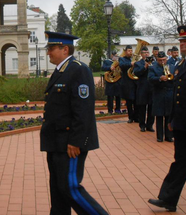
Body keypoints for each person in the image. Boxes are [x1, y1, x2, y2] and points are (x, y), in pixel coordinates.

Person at [40, 31, 108, 215]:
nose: (49, 52)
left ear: (65, 48)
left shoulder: (78, 69)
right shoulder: (61, 70)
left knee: (69, 188)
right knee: (58, 190)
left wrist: (76, 140)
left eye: (52, 48)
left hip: (69, 143)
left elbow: (83, 109)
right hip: (56, 141)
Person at [148, 26, 186, 213]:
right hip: (182, 125)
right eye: (180, 41)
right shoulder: (181, 64)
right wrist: (173, 119)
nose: (182, 44)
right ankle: (168, 199)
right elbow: (177, 96)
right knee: (179, 163)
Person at [148, 51, 174, 142]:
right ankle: (159, 136)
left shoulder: (171, 66)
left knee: (169, 115)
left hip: (169, 94)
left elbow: (175, 78)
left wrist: (172, 77)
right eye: (160, 60)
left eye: (164, 60)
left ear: (166, 58)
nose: (162, 62)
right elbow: (150, 78)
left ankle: (169, 136)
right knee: (159, 116)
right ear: (157, 59)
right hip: (158, 93)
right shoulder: (153, 68)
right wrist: (159, 78)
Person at [133, 46, 154, 132]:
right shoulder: (138, 64)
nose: (146, 54)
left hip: (151, 88)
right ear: (141, 54)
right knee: (142, 108)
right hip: (142, 88)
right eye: (144, 53)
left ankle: (150, 125)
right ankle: (142, 125)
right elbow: (137, 73)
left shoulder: (153, 63)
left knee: (151, 108)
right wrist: (145, 67)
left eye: (147, 53)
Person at [118, 45, 138, 123]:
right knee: (129, 101)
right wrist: (131, 64)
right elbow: (122, 66)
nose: (130, 52)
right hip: (127, 83)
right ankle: (130, 117)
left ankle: (136, 117)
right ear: (125, 51)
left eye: (131, 50)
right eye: (129, 51)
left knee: (136, 101)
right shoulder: (122, 59)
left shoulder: (133, 59)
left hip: (134, 82)